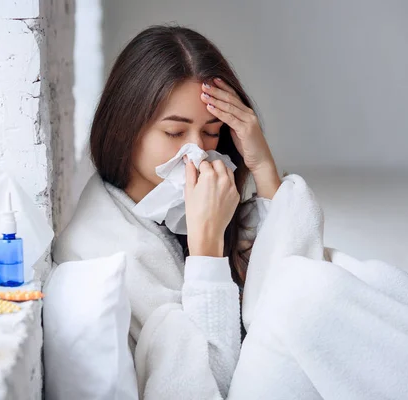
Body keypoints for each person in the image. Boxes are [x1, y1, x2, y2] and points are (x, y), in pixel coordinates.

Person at [53, 24, 277, 398]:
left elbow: (288, 273)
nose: (197, 152)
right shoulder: (102, 251)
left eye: (211, 132)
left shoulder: (190, 207)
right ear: (126, 128)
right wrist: (207, 251)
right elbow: (214, 383)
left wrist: (264, 167)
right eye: (175, 133)